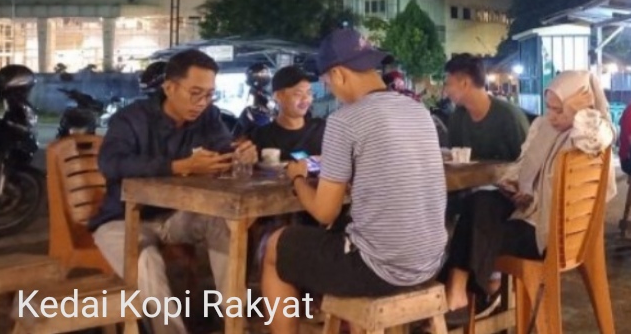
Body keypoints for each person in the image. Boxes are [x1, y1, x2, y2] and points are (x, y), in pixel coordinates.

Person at [260, 29, 447, 334]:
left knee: (275, 246)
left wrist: (298, 179)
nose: (331, 91)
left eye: (327, 83)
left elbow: (325, 212)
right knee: (340, 233)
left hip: (379, 270)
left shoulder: (344, 120)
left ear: (338, 74)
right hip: (431, 261)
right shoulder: (418, 111)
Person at [90, 50, 257, 334]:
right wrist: (179, 166)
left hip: (175, 216)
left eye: (209, 95)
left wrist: (241, 153)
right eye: (195, 93)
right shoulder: (131, 119)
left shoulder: (208, 116)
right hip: (122, 218)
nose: (202, 102)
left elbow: (223, 147)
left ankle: (235, 325)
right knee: (144, 258)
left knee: (224, 223)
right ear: (169, 87)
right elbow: (111, 163)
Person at [442, 70, 615, 317]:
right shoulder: (544, 128)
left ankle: (469, 289)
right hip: (530, 210)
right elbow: (527, 168)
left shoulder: (594, 132)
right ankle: (473, 287)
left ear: (580, 108)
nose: (552, 116)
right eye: (549, 108)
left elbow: (596, 135)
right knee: (479, 201)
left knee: (478, 233)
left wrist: (580, 112)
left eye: (560, 110)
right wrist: (520, 187)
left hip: (550, 233)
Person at [444, 53, 529, 161]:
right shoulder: (457, 118)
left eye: (448, 84)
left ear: (465, 83)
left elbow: (529, 164)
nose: (445, 91)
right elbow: (454, 160)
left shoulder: (509, 117)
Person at [249, 65, 324, 160]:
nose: (306, 99)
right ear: (278, 96)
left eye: (309, 93)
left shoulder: (322, 130)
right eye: (298, 93)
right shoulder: (260, 137)